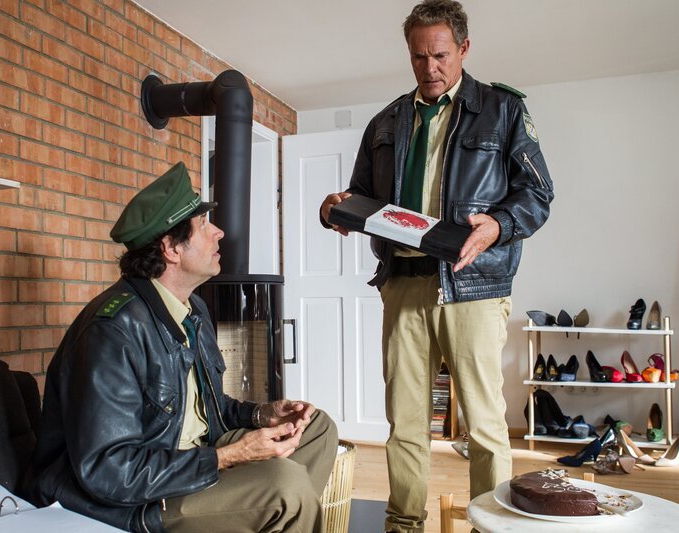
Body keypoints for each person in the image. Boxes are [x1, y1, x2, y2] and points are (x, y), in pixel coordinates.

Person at [319, 1, 553, 530]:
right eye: (419, 56)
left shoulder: (503, 110)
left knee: (485, 425)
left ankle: (493, 522)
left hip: (474, 285)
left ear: (464, 49)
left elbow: (537, 194)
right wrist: (334, 208)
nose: (430, 67)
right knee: (404, 422)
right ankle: (404, 524)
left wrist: (496, 224)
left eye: (440, 55)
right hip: (402, 284)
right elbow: (359, 195)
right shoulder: (386, 121)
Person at [29, 161, 338, 533]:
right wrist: (228, 457)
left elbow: (210, 409)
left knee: (318, 429)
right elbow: (108, 470)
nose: (219, 232)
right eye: (204, 226)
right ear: (171, 250)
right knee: (286, 486)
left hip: (190, 460)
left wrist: (263, 415)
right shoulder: (113, 332)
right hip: (140, 499)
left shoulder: (193, 309)